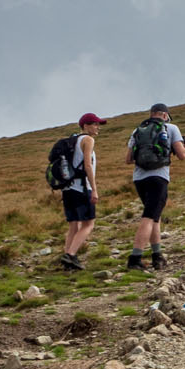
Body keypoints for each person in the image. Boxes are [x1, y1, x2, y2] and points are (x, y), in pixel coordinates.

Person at [126, 103, 185, 270]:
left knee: (155, 216)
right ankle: (135, 258)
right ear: (164, 115)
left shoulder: (137, 130)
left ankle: (157, 256)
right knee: (148, 217)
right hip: (159, 178)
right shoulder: (171, 128)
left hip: (139, 179)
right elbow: (182, 155)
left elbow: (128, 159)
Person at [59, 113, 106, 271]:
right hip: (81, 188)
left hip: (68, 189)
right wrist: (94, 189)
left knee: (74, 225)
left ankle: (67, 260)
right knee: (88, 224)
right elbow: (87, 166)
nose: (97, 127)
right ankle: (71, 255)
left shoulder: (72, 140)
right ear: (85, 126)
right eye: (94, 124)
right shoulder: (88, 140)